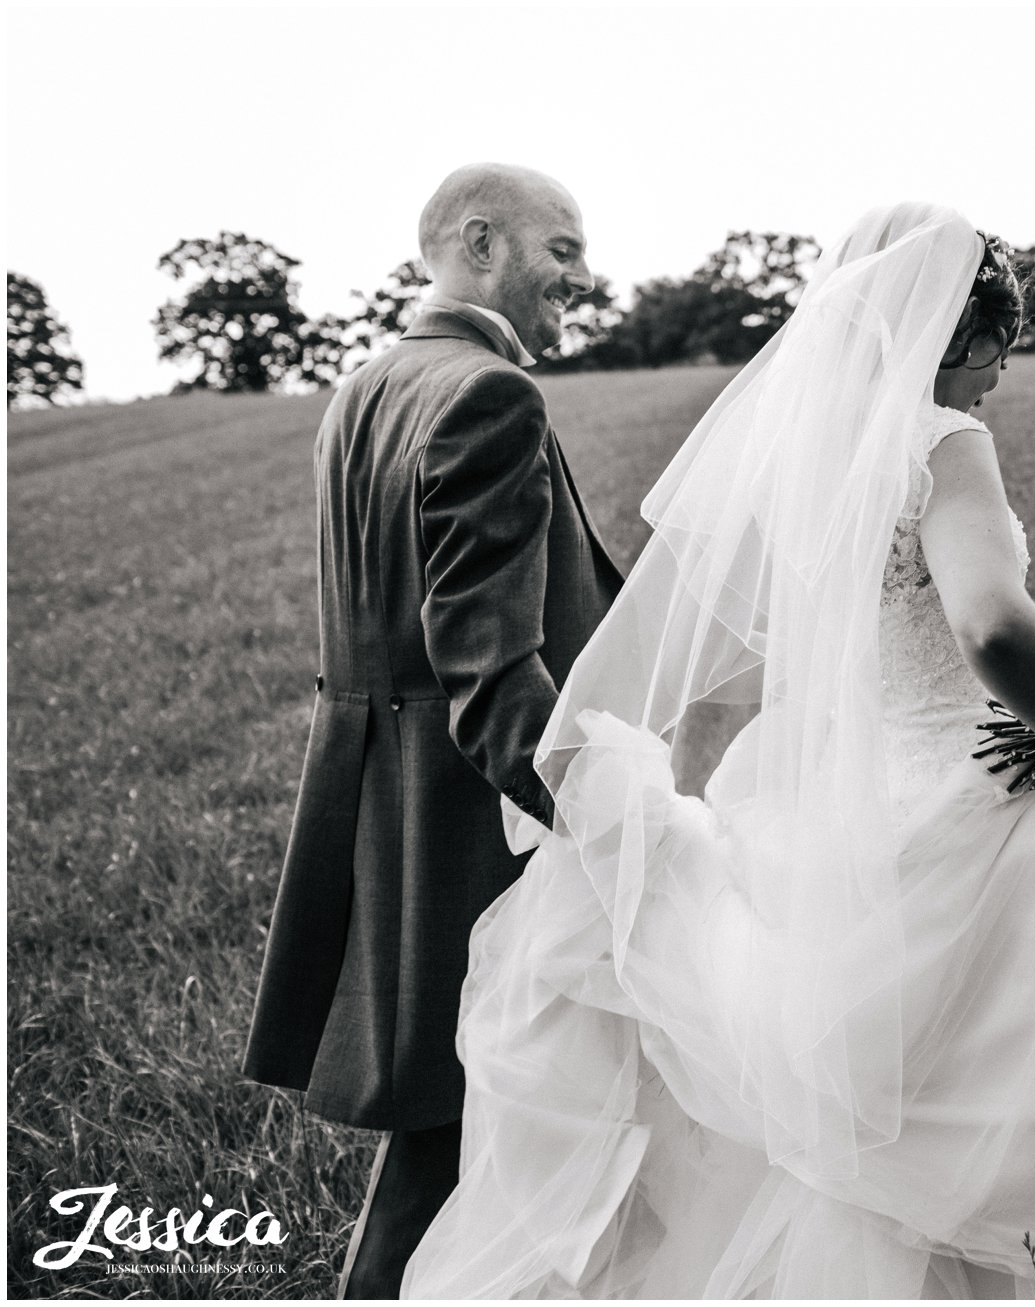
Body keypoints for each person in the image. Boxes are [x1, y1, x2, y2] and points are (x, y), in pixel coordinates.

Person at [401, 202, 1035, 1298]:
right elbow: (990, 623)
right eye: (1000, 347)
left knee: (854, 1081)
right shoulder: (943, 439)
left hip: (832, 792)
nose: (1000, 374)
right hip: (963, 778)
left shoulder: (806, 458)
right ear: (959, 332)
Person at [241, 163, 624, 1298]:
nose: (582, 275)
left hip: (371, 789)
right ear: (481, 243)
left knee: (455, 1115)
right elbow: (488, 665)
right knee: (470, 1111)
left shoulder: (364, 385)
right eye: (563, 248)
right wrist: (611, 817)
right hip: (466, 816)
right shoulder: (490, 395)